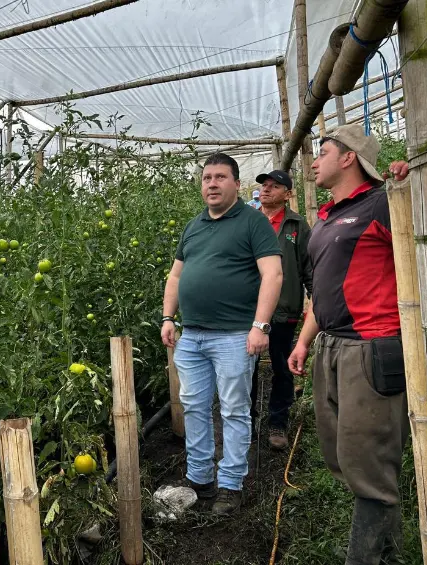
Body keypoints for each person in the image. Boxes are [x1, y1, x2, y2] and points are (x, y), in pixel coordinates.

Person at [287, 124, 410, 565]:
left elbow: (425, 238)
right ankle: (389, 553)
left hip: (371, 347)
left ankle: (363, 559)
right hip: (332, 347)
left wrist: (406, 186)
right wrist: (304, 341)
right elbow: (323, 290)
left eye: (322, 151)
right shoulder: (326, 219)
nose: (314, 161)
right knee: (341, 455)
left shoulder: (383, 203)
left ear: (348, 158)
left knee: (367, 462)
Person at [161, 153, 283, 516]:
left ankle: (231, 483)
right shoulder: (193, 225)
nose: (211, 184)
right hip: (192, 335)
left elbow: (273, 275)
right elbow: (176, 277)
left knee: (233, 410)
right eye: (206, 178)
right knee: (195, 407)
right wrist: (168, 317)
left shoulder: (252, 222)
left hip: (233, 336)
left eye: (219, 177)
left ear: (236, 183)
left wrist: (260, 326)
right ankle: (199, 477)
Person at [249, 169, 313, 449]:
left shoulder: (297, 226)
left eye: (275, 186)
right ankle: (246, 422)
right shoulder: (247, 221)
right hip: (249, 311)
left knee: (282, 368)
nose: (266, 189)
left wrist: (316, 300)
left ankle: (278, 421)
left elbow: (309, 268)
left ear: (287, 195)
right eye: (264, 185)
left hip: (284, 310)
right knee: (245, 369)